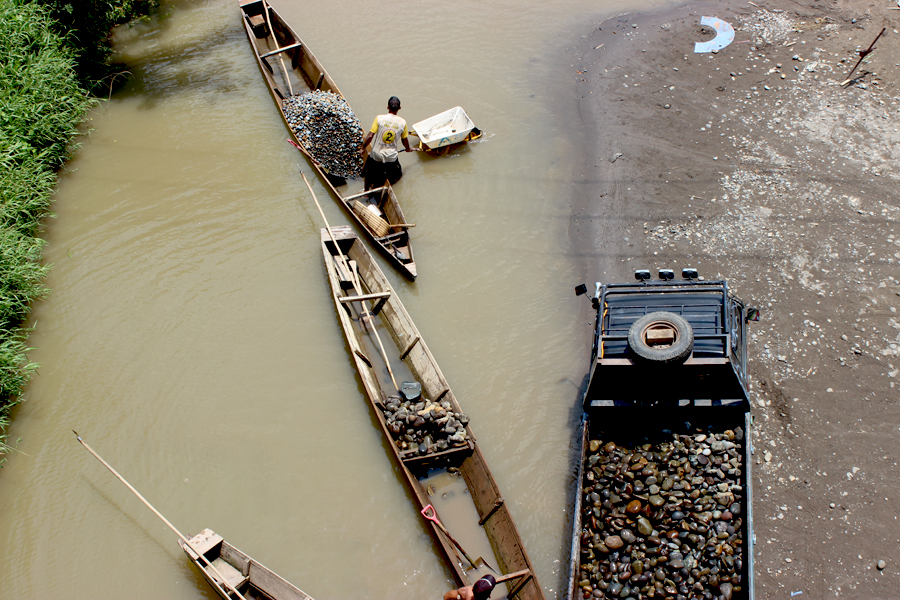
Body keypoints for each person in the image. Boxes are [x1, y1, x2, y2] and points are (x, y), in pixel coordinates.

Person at [360, 96, 414, 190]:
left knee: (368, 175)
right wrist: (408, 148)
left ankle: (365, 191)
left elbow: (369, 136)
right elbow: (404, 140)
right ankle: (385, 188)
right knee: (398, 174)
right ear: (399, 108)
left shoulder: (379, 118)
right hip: (390, 157)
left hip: (376, 155)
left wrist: (362, 148)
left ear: (387, 107)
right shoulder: (402, 123)